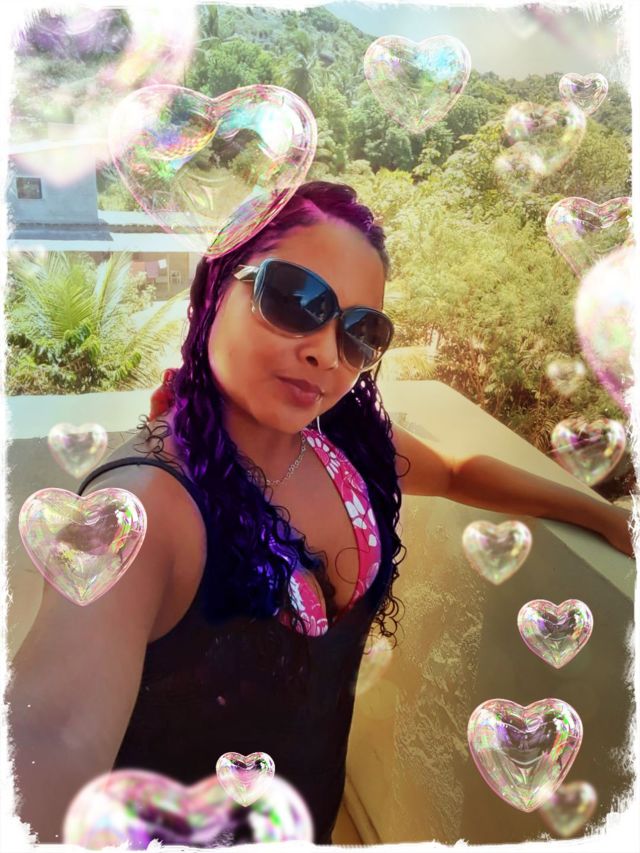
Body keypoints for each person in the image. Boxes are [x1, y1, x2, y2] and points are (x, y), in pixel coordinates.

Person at [8, 181, 633, 846]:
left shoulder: (342, 448)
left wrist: (603, 517)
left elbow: (455, 473)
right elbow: (53, 734)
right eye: (293, 299)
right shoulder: (148, 503)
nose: (327, 354)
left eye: (360, 332)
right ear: (214, 289)